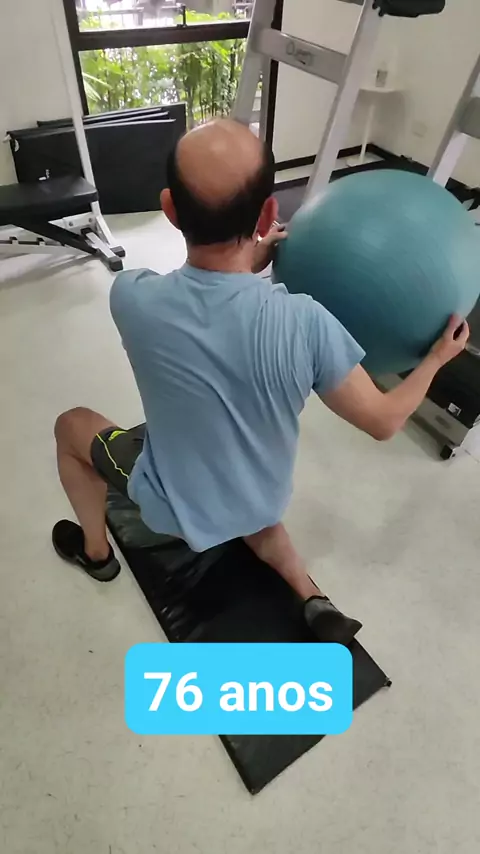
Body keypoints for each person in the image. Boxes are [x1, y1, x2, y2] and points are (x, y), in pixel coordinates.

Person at [53, 119, 469, 645]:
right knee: (260, 523)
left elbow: (203, 299)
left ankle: (96, 555)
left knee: (71, 426)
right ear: (268, 214)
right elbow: (384, 421)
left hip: (178, 505)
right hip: (263, 498)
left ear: (170, 209)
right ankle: (311, 596)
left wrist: (247, 260)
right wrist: (435, 359)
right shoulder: (307, 323)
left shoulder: (132, 297)